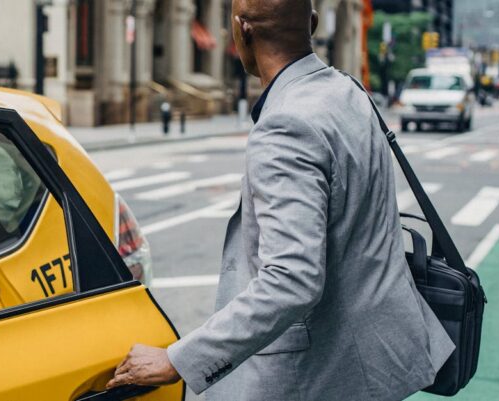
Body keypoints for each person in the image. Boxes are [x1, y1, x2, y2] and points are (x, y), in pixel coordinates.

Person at [106, 0, 455, 400]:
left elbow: (292, 279)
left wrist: (178, 360)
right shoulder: (349, 92)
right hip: (377, 362)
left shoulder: (287, 125)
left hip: (320, 378)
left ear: (242, 29)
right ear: (312, 22)